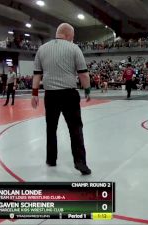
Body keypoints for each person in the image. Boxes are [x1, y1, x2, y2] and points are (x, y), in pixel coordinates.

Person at [31, 23, 92, 175]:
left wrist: (34, 93)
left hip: (50, 95)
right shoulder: (74, 48)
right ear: (68, 34)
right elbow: (83, 74)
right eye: (73, 36)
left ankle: (51, 159)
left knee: (51, 128)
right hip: (69, 95)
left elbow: (37, 74)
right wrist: (88, 90)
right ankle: (80, 163)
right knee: (75, 128)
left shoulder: (42, 49)